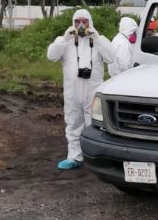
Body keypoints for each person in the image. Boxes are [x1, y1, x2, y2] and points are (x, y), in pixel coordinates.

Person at [47, 9, 115, 170]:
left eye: (85, 21)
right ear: (73, 23)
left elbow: (111, 58)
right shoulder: (65, 41)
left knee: (95, 124)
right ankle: (74, 156)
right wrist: (64, 38)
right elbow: (51, 56)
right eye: (78, 22)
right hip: (72, 91)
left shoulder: (99, 41)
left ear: (90, 22)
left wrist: (97, 38)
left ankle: (96, 157)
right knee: (73, 122)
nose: (81, 25)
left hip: (93, 90)